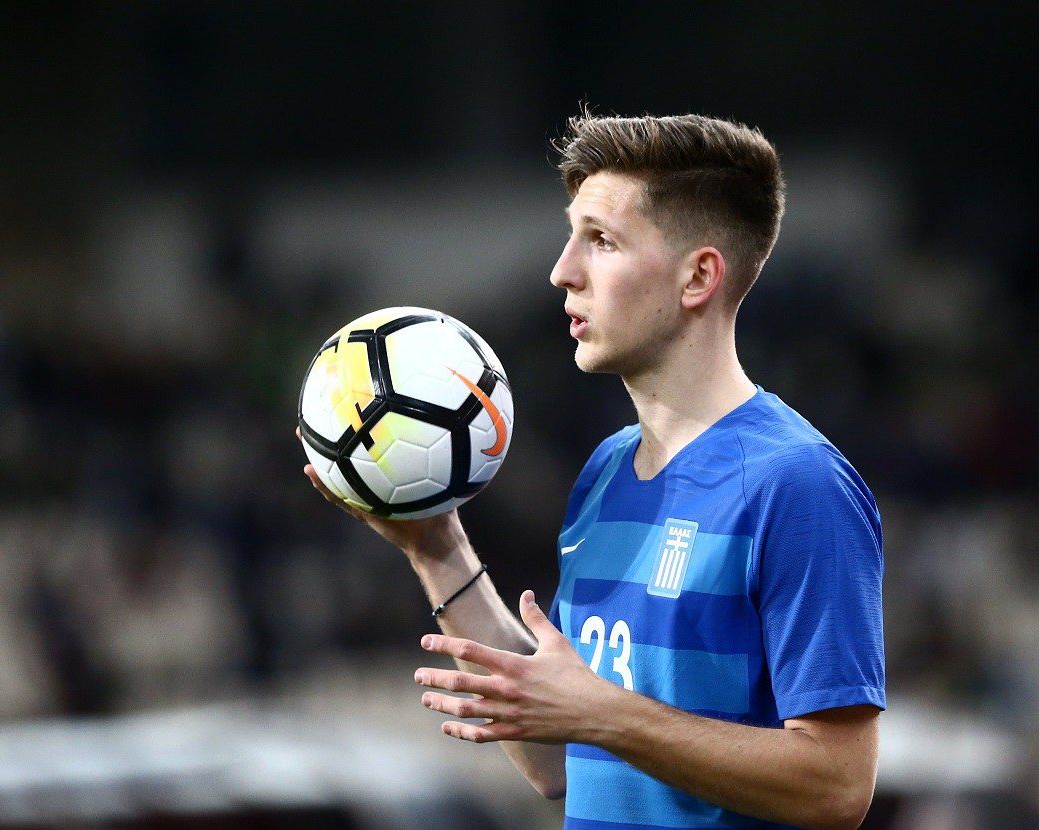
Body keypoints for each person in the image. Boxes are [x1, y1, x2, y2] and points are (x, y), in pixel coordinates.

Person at [302, 113, 884, 830]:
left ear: (698, 276)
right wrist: (436, 546)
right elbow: (559, 762)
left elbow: (836, 787)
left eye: (601, 240)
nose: (562, 271)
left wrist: (604, 713)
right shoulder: (607, 471)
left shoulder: (797, 485)